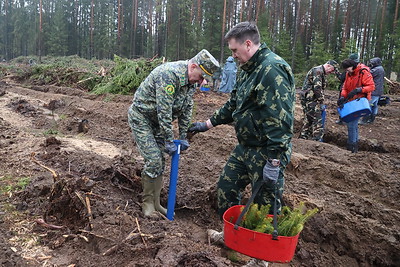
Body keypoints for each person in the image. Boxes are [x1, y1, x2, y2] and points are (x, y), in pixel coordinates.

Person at [189, 22, 295, 267]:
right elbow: (234, 104)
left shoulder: (272, 70)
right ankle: (231, 237)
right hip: (245, 147)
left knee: (265, 204)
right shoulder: (247, 68)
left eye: (235, 50)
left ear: (248, 44)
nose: (233, 55)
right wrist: (207, 124)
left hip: (266, 152)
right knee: (226, 187)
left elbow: (281, 120)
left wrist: (275, 160)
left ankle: (260, 259)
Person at [127, 49, 220, 218]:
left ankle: (156, 203)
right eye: (200, 77)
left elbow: (186, 109)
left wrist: (183, 136)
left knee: (161, 161)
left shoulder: (191, 82)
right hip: (142, 117)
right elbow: (164, 110)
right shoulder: (169, 75)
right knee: (154, 159)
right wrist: (169, 139)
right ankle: (147, 203)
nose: (201, 82)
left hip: (157, 122)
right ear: (193, 67)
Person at [337, 59, 375, 153]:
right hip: (351, 101)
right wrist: (343, 96)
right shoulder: (348, 74)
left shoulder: (363, 71)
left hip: (360, 102)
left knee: (351, 124)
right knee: (353, 125)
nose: (347, 71)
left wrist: (359, 90)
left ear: (352, 66)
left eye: (347, 69)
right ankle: (354, 145)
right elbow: (345, 87)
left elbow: (371, 86)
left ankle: (351, 146)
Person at [299, 60, 340, 141]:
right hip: (310, 99)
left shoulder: (321, 72)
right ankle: (317, 141)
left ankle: (303, 138)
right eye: (331, 70)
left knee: (309, 119)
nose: (331, 72)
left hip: (309, 98)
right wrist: (321, 101)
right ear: (328, 65)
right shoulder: (318, 71)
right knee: (317, 120)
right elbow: (317, 88)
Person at [336, 53, 360, 125]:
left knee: (342, 103)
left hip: (347, 89)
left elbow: (341, 78)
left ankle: (342, 119)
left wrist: (337, 73)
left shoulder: (350, 69)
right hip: (350, 90)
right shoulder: (358, 68)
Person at [360, 57, 385, 124]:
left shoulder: (377, 69)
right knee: (374, 105)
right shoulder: (381, 68)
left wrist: (366, 67)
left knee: (368, 104)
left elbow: (368, 74)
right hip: (378, 90)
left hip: (374, 90)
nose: (371, 64)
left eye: (372, 63)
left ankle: (364, 120)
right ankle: (371, 119)